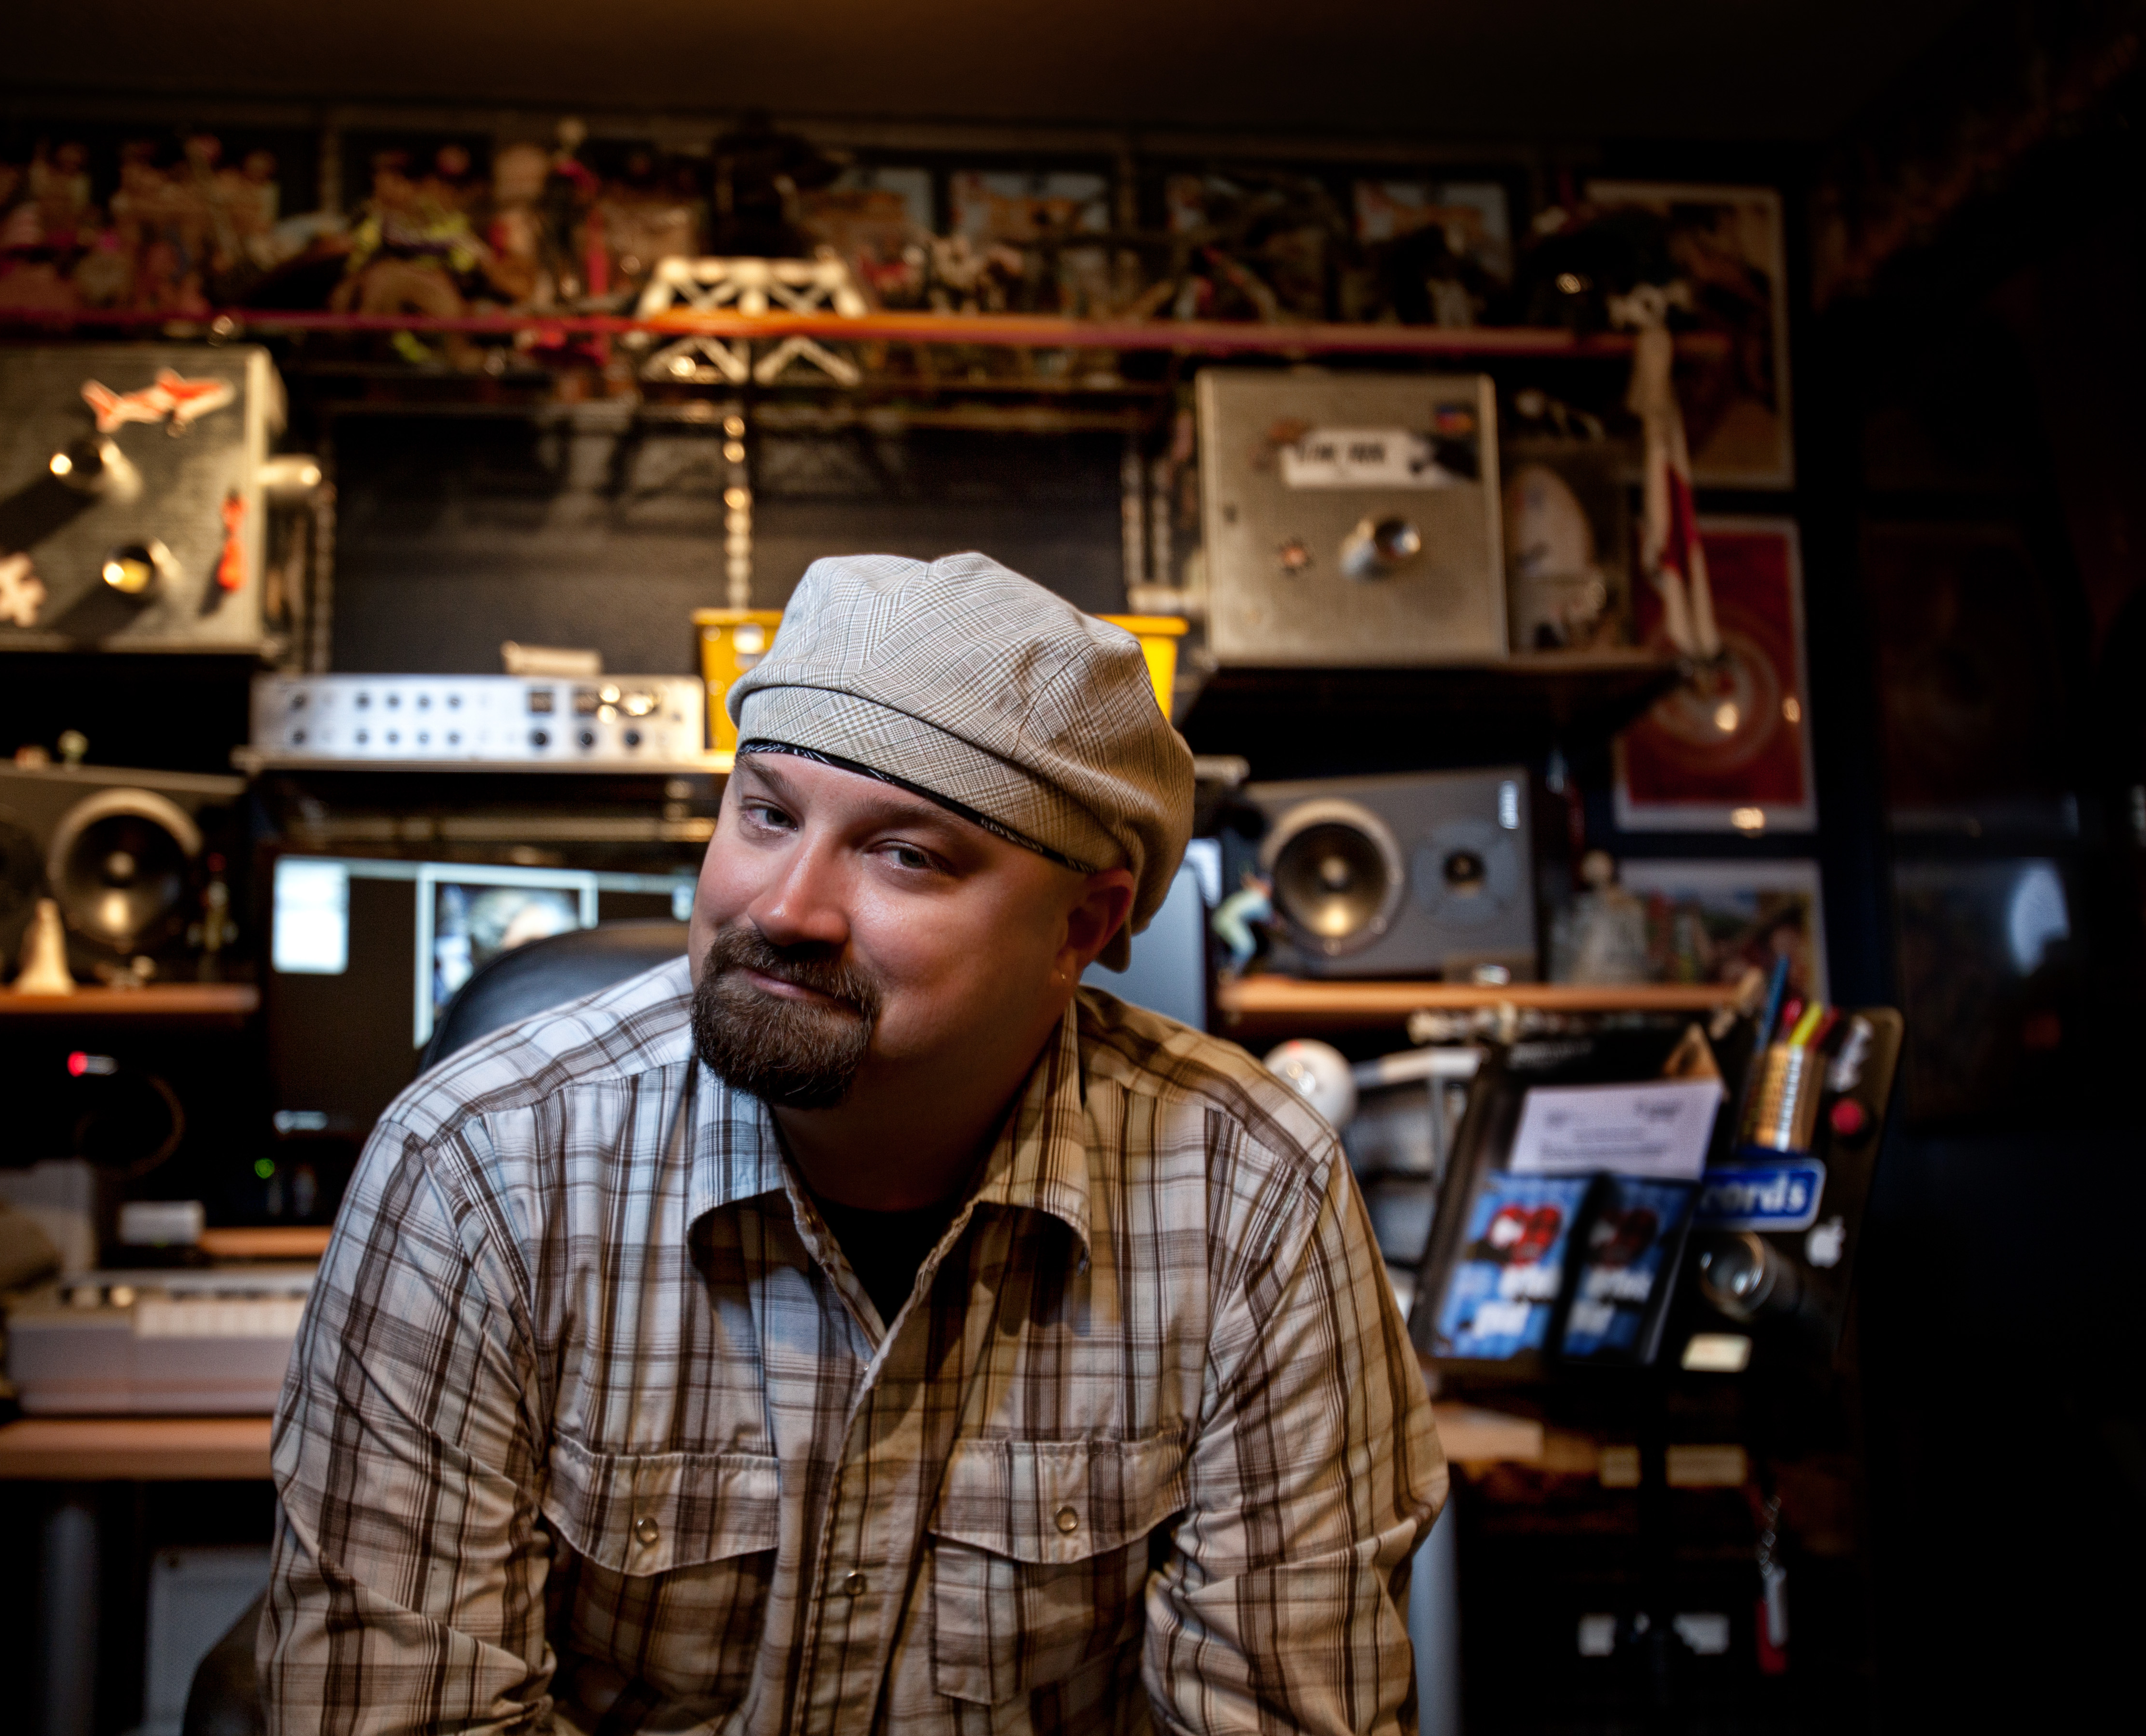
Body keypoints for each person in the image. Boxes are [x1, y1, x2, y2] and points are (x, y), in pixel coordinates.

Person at [262, 552, 1447, 1733]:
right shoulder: (478, 1167)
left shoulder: (1252, 1195)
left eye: (904, 855)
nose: (784, 907)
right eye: (767, 814)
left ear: (1079, 926)